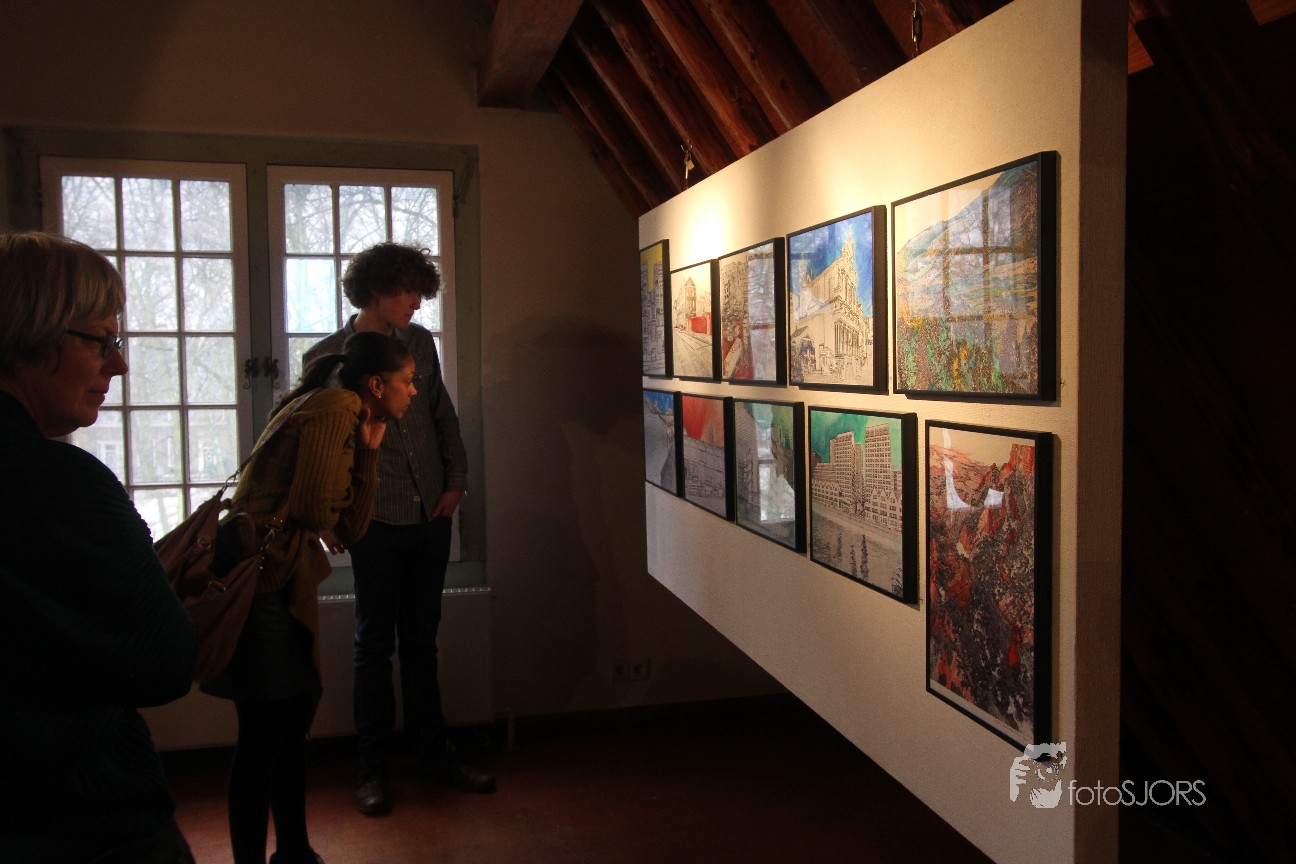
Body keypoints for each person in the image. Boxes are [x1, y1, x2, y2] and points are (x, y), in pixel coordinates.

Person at [0, 232, 198, 863]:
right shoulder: (55, 479)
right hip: (71, 819)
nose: (118, 365)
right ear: (31, 333)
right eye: (100, 340)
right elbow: (167, 661)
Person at [203, 331, 416, 864]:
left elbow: (350, 527)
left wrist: (369, 452)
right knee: (266, 733)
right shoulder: (336, 406)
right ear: (376, 385)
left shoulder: (344, 412)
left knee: (288, 725)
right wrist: (340, 490)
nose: (413, 391)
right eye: (408, 381)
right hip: (262, 581)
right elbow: (319, 513)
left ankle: (295, 852)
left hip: (279, 579)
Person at [304, 242, 493, 818]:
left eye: (418, 290)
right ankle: (372, 768)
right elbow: (316, 446)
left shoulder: (421, 344)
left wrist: (456, 479)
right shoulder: (327, 357)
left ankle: (434, 755)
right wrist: (327, 514)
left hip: (430, 511)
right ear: (374, 290)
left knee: (421, 641)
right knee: (372, 645)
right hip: (371, 518)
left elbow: (441, 413)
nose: (414, 301)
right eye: (405, 290)